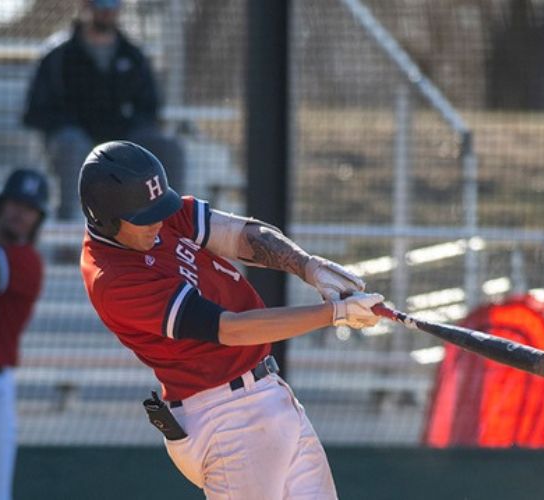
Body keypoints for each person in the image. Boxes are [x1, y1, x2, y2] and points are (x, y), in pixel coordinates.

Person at [79, 140, 382, 498]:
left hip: (264, 395)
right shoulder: (113, 278)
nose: (158, 222)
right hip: (226, 417)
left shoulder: (153, 216)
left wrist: (309, 267)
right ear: (105, 218)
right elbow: (230, 329)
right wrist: (334, 314)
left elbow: (239, 235)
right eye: (144, 217)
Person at [22, 0, 184, 220]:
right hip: (74, 140)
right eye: (100, 2)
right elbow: (37, 110)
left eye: (113, 2)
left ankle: (173, 225)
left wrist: (126, 133)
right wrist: (69, 125)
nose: (107, 9)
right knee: (70, 143)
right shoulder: (58, 55)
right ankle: (68, 230)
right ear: (84, 6)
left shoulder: (133, 55)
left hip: (125, 138)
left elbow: (149, 108)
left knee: (168, 147)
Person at [0, 169, 49, 500]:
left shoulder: (27, 263)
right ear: (1, 203)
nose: (21, 214)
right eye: (16, 203)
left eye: (30, 209)